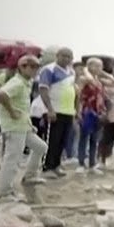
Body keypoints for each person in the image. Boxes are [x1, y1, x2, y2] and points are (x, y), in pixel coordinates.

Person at [0, 55, 47, 198]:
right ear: (22, 67)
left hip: (23, 126)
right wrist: (11, 111)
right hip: (14, 126)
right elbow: (1, 94)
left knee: (41, 147)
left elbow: (22, 107)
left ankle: (29, 177)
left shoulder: (25, 83)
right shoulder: (17, 82)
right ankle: (5, 193)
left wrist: (29, 124)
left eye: (37, 67)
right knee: (13, 158)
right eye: (32, 66)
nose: (35, 70)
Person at [38, 48, 77, 177]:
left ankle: (56, 165)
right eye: (64, 56)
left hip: (68, 111)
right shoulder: (49, 70)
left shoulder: (71, 72)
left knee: (63, 141)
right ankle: (47, 167)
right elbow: (43, 90)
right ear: (57, 56)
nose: (66, 59)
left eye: (69, 57)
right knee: (52, 140)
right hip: (54, 110)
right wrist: (49, 109)